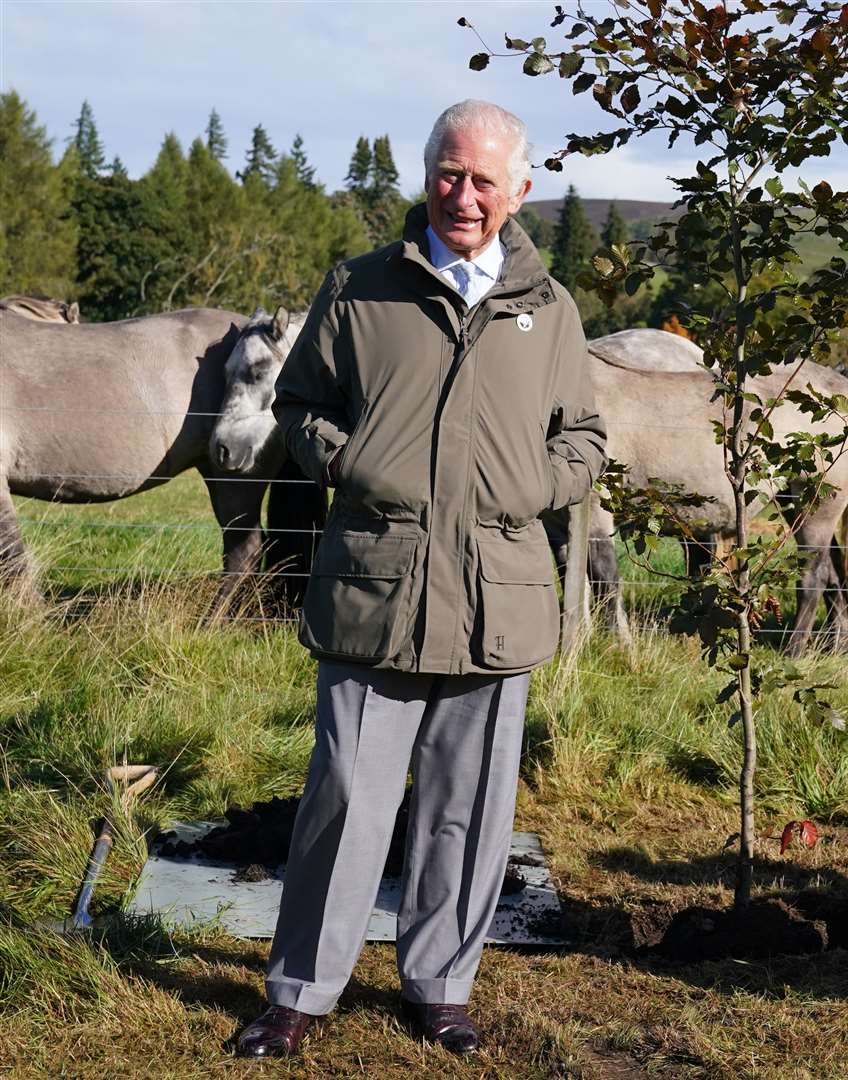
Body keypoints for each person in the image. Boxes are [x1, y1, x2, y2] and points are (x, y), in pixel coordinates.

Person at [233, 100, 605, 1059]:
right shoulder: (360, 289)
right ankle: (301, 992)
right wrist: (348, 462)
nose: (464, 195)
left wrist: (536, 484)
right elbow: (300, 401)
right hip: (377, 587)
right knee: (346, 796)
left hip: (498, 595)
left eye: (485, 180)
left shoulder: (550, 309)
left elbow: (583, 436)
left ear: (520, 190)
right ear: (427, 174)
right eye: (449, 173)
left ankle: (441, 987)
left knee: (470, 805)